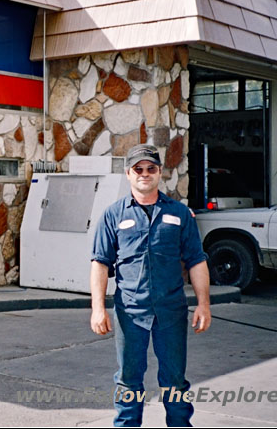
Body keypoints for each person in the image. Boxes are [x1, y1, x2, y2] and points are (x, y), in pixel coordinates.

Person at [90, 144, 211, 427]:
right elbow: (100, 263)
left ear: (160, 173)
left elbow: (196, 260)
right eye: (138, 169)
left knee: (174, 381)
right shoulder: (113, 215)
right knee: (128, 380)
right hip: (130, 312)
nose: (145, 174)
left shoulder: (180, 214)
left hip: (171, 312)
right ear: (128, 174)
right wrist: (98, 309)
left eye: (151, 169)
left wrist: (203, 304)